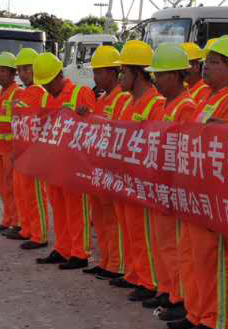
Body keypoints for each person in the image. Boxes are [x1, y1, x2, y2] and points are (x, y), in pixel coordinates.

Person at [177, 36, 228, 329]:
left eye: (214, 62)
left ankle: (212, 317)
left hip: (214, 190)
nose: (206, 67)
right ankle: (194, 311)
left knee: (212, 257)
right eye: (207, 62)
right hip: (197, 187)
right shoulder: (209, 98)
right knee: (192, 254)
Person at [110, 40, 164, 302]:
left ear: (138, 73)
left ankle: (149, 280)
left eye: (124, 72)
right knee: (129, 229)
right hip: (124, 178)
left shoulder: (155, 103)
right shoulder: (126, 102)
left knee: (143, 233)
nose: (120, 77)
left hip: (142, 181)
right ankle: (134, 273)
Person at [33, 53, 96, 270]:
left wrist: (84, 115)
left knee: (77, 209)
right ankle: (62, 248)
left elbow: (96, 126)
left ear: (60, 75)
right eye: (44, 84)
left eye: (49, 82)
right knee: (58, 209)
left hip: (75, 165)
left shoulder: (81, 93)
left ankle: (79, 253)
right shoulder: (46, 98)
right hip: (53, 164)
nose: (47, 87)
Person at [147, 43, 197, 315]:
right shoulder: (167, 104)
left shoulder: (186, 106)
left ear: (176, 75)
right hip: (162, 185)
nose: (156, 80)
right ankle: (168, 290)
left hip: (175, 187)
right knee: (164, 243)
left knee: (178, 247)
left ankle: (180, 297)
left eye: (160, 75)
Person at [85, 44, 127, 279]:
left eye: (99, 72)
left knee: (113, 220)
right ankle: (106, 260)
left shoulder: (121, 98)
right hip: (98, 168)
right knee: (101, 219)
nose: (95, 77)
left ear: (112, 72)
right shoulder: (103, 98)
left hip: (112, 170)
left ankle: (116, 265)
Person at [10, 47, 53, 250]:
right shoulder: (24, 94)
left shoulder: (42, 94)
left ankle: (39, 235)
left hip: (34, 155)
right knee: (24, 194)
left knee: (36, 196)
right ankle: (27, 229)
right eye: (20, 69)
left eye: (26, 69)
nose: (22, 73)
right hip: (22, 153)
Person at [0, 51, 20, 236]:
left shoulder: (18, 93)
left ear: (13, 73)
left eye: (3, 71)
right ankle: (7, 220)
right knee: (3, 187)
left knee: (13, 188)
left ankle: (17, 222)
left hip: (11, 150)